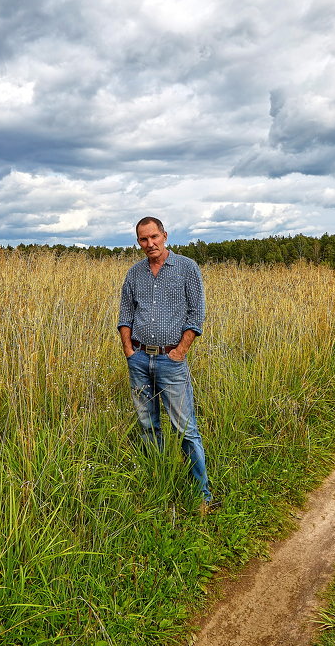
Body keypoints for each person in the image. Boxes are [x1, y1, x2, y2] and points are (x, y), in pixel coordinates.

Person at [117, 216, 214, 508]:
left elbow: (196, 315)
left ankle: (202, 497)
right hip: (139, 359)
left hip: (171, 361)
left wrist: (180, 351)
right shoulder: (134, 274)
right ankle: (160, 482)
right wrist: (128, 350)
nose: (150, 244)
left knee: (185, 429)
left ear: (165, 236)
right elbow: (124, 315)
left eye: (154, 237)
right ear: (139, 242)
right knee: (148, 425)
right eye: (144, 240)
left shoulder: (187, 268)